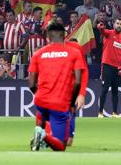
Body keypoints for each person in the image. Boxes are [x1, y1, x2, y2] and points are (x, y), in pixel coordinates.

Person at [28, 22, 84, 152]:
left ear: (48, 36)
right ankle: (43, 136)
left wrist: (38, 94)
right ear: (64, 36)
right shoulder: (74, 53)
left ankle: (39, 130)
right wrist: (71, 102)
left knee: (43, 112)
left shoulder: (38, 53)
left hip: (41, 100)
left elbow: (31, 83)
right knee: (60, 146)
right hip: (59, 102)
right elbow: (77, 82)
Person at [97, 18, 121, 117]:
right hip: (107, 66)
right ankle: (100, 112)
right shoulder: (109, 33)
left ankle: (115, 112)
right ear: (114, 25)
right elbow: (102, 30)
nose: (119, 25)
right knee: (105, 89)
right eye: (117, 23)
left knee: (115, 91)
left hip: (117, 68)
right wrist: (100, 25)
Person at [65, 38, 88, 147]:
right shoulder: (47, 49)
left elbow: (84, 71)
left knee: (69, 112)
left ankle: (68, 136)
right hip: (58, 87)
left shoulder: (75, 48)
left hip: (71, 87)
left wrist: (81, 93)